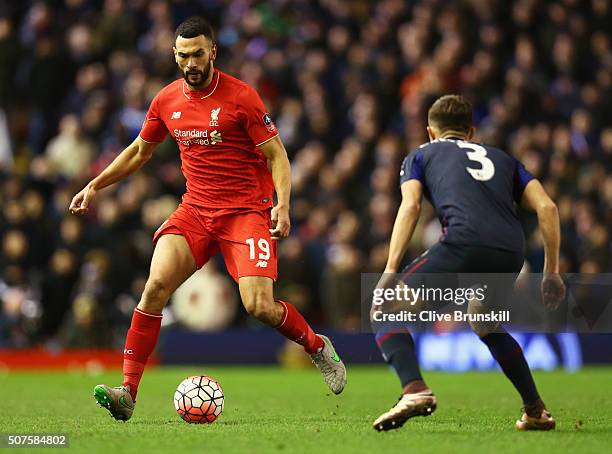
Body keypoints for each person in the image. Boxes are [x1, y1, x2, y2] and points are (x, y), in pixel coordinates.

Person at [69, 16, 346, 421]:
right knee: (154, 288)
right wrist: (95, 185)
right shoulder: (166, 100)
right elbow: (138, 151)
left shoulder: (242, 97)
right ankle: (127, 393)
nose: (191, 62)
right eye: (183, 55)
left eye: (198, 53)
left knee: (259, 306)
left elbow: (277, 156)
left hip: (245, 213)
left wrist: (282, 205)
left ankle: (317, 347)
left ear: (212, 52)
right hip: (196, 211)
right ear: (174, 55)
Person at [371, 95, 565, 431]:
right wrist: (551, 273)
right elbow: (548, 208)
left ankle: (414, 389)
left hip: (464, 241)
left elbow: (411, 206)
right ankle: (535, 409)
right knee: (484, 321)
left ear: (431, 132)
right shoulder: (504, 159)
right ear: (471, 131)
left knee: (383, 307)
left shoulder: (421, 154)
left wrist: (390, 270)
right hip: (510, 251)